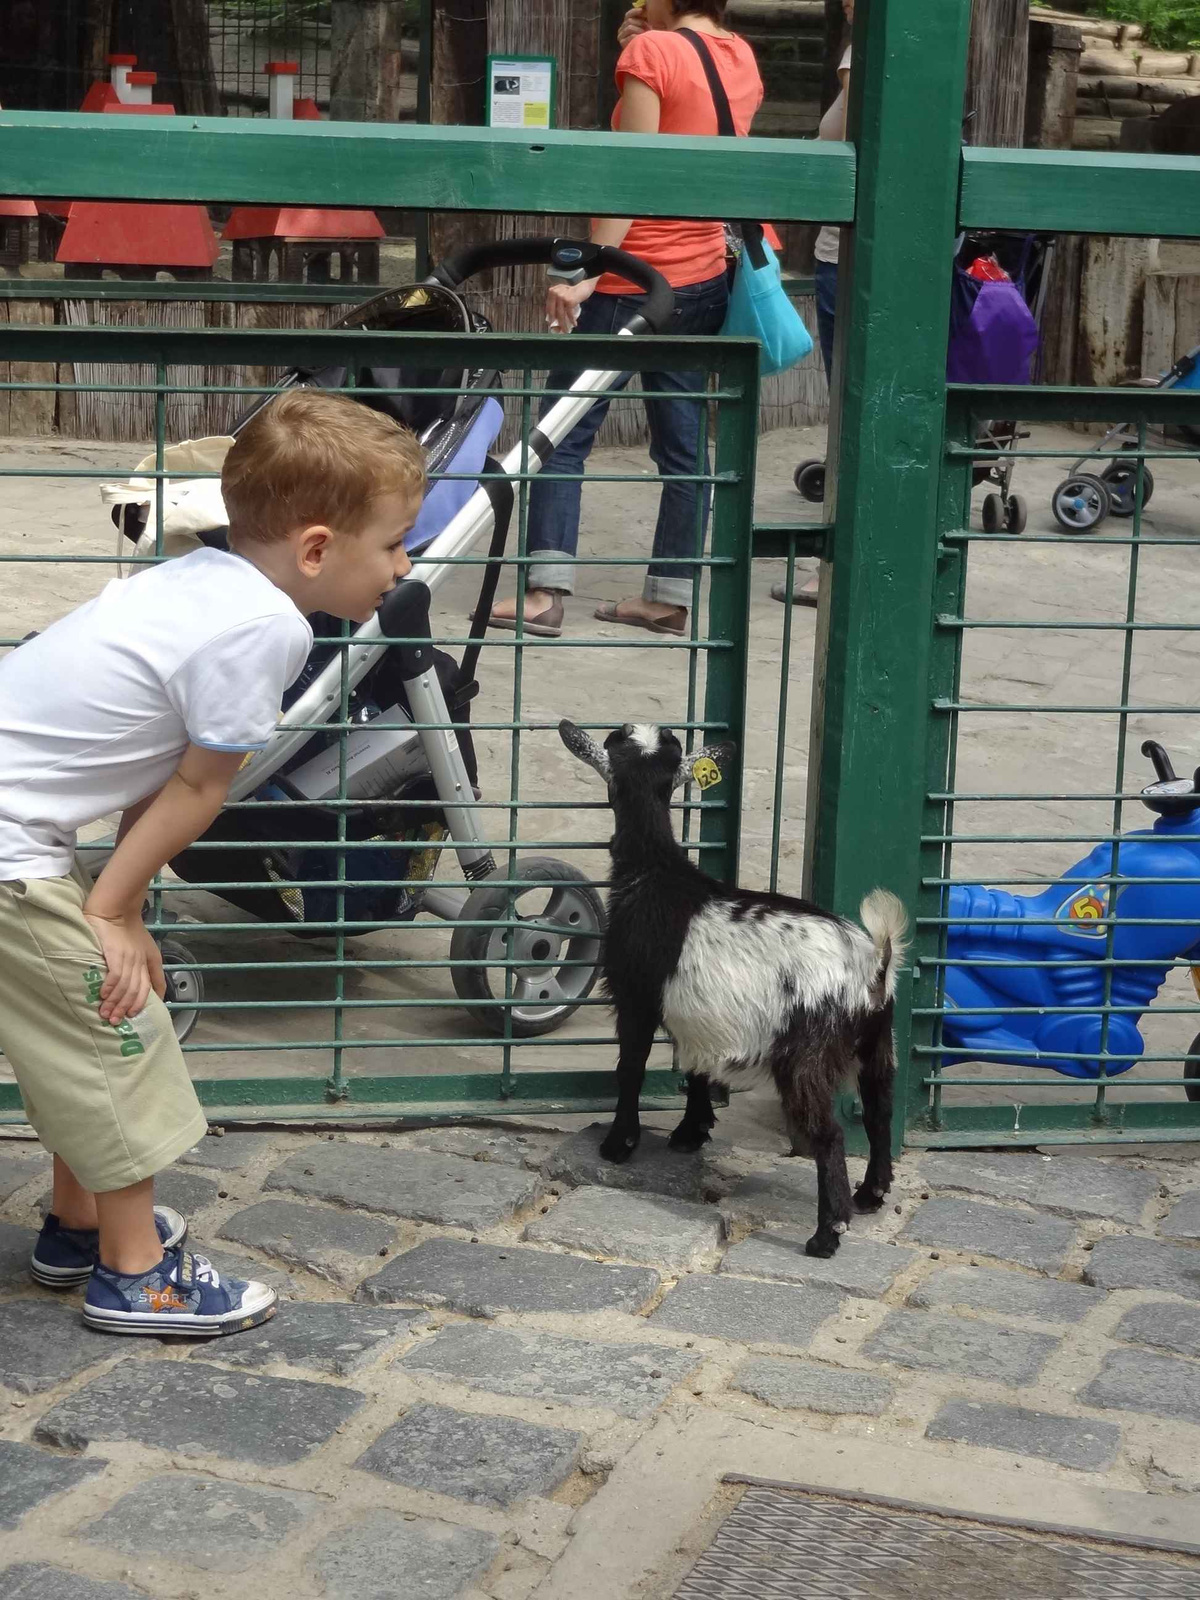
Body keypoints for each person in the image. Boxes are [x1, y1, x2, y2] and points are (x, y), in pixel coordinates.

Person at [0, 389, 423, 1335]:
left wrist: (124, 903)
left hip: (19, 840)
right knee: (119, 1036)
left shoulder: (193, 580)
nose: (402, 567)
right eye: (395, 544)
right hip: (10, 852)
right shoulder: (264, 630)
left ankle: (79, 1229)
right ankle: (136, 1275)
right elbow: (198, 788)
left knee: (76, 1031)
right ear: (315, 551)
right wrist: (110, 914)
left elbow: (152, 766)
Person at [487, 0, 767, 639]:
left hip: (631, 282)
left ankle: (543, 593)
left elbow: (632, 171)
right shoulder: (740, 55)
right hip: (701, 280)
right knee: (684, 448)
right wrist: (652, 39)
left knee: (562, 433)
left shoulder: (650, 53)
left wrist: (587, 271)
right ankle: (669, 596)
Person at [773, 0, 852, 608]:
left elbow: (842, 138)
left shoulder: (867, 59)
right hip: (840, 254)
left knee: (853, 411)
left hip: (849, 260)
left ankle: (842, 566)